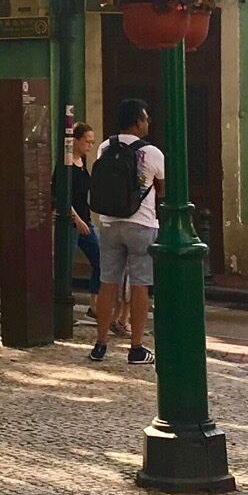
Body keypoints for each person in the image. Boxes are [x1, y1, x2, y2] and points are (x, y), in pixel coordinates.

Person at [85, 100, 161, 364]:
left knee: (109, 282)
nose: (148, 123)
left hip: (109, 221)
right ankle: (136, 347)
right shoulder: (152, 152)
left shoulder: (106, 147)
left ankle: (100, 344)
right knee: (140, 285)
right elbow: (163, 186)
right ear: (138, 121)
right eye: (146, 119)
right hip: (141, 223)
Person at [66, 121, 102, 317]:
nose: (89, 145)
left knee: (100, 261)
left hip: (85, 220)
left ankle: (94, 304)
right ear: (76, 141)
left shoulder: (83, 163)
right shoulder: (66, 165)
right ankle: (63, 306)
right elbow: (63, 196)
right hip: (72, 223)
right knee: (66, 265)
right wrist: (77, 220)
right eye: (87, 142)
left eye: (92, 142)